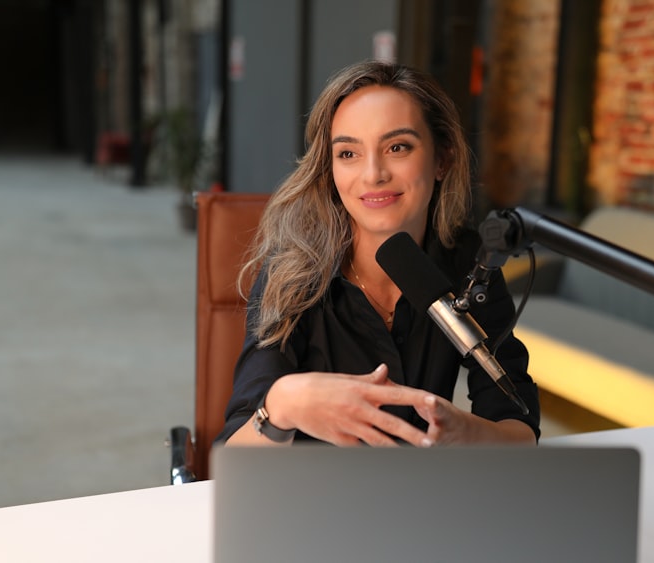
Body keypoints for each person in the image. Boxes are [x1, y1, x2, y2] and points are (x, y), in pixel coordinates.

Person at [218, 60, 540, 447]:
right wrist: (285, 404)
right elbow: (232, 453)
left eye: (397, 147)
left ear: (443, 159)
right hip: (310, 496)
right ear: (330, 169)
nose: (373, 174)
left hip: (416, 494)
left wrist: (466, 435)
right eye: (349, 154)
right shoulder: (293, 274)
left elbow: (519, 429)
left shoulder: (469, 263)